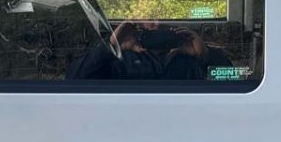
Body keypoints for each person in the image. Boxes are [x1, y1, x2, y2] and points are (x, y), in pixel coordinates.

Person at [68, 20, 236, 82]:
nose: (156, 25)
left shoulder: (190, 55)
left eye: (164, 18)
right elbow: (74, 80)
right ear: (138, 24)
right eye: (149, 19)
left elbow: (235, 79)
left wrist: (205, 56)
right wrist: (111, 47)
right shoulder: (121, 59)